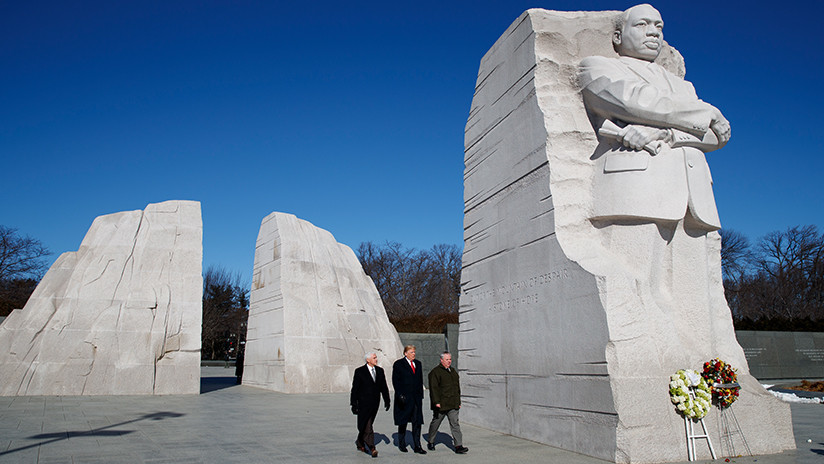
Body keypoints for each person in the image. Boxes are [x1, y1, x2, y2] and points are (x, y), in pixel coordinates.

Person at [577, 3, 731, 311]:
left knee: (696, 300)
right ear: (618, 36)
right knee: (634, 291)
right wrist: (704, 112)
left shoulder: (682, 85)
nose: (653, 32)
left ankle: (702, 361)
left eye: (659, 27)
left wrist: (670, 134)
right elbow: (632, 101)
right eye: (643, 25)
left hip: (693, 195)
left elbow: (718, 135)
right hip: (637, 188)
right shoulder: (598, 66)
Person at [350, 352, 390, 458]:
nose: (376, 359)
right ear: (368, 360)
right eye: (374, 358)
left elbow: (384, 387)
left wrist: (387, 400)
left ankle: (360, 442)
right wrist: (353, 404)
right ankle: (372, 447)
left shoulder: (380, 371)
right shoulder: (359, 371)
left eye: (376, 357)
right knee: (368, 426)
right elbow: (355, 389)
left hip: (375, 403)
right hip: (363, 404)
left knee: (366, 423)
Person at [426, 352, 467, 454]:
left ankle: (458, 446)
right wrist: (436, 402)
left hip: (453, 404)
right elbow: (434, 388)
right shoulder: (435, 372)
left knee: (455, 424)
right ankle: (430, 441)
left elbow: (457, 388)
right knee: (436, 423)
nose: (449, 361)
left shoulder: (453, 371)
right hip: (441, 404)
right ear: (441, 360)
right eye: (447, 359)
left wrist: (458, 401)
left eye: (450, 359)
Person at [392, 345, 426, 454]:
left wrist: (420, 395)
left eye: (414, 352)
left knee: (417, 423)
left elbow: (420, 380)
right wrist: (400, 395)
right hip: (404, 399)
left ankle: (417, 446)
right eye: (411, 352)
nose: (413, 354)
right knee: (403, 422)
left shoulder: (418, 364)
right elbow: (396, 381)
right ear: (405, 353)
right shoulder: (398, 364)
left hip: (416, 399)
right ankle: (402, 444)